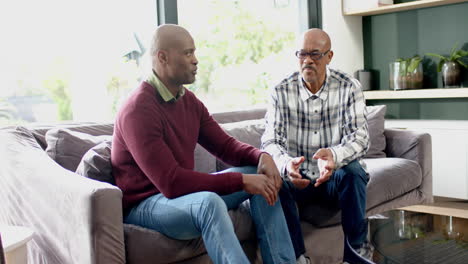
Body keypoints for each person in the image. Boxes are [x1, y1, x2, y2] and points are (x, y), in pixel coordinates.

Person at [111, 24, 306, 264]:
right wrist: (242, 181)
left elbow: (225, 146)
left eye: (194, 53)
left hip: (179, 199)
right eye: (187, 53)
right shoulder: (138, 109)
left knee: (261, 174)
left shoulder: (188, 101)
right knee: (209, 203)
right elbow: (171, 183)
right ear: (162, 57)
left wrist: (261, 157)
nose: (195, 60)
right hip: (146, 205)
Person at [261, 28, 373, 262]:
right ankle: (298, 258)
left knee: (354, 172)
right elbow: (270, 141)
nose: (307, 60)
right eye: (302, 54)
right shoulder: (280, 91)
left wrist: (334, 156)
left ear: (329, 56)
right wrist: (286, 164)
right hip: (297, 180)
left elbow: (360, 138)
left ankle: (356, 254)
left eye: (315, 54)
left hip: (333, 179)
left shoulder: (348, 87)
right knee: (275, 180)